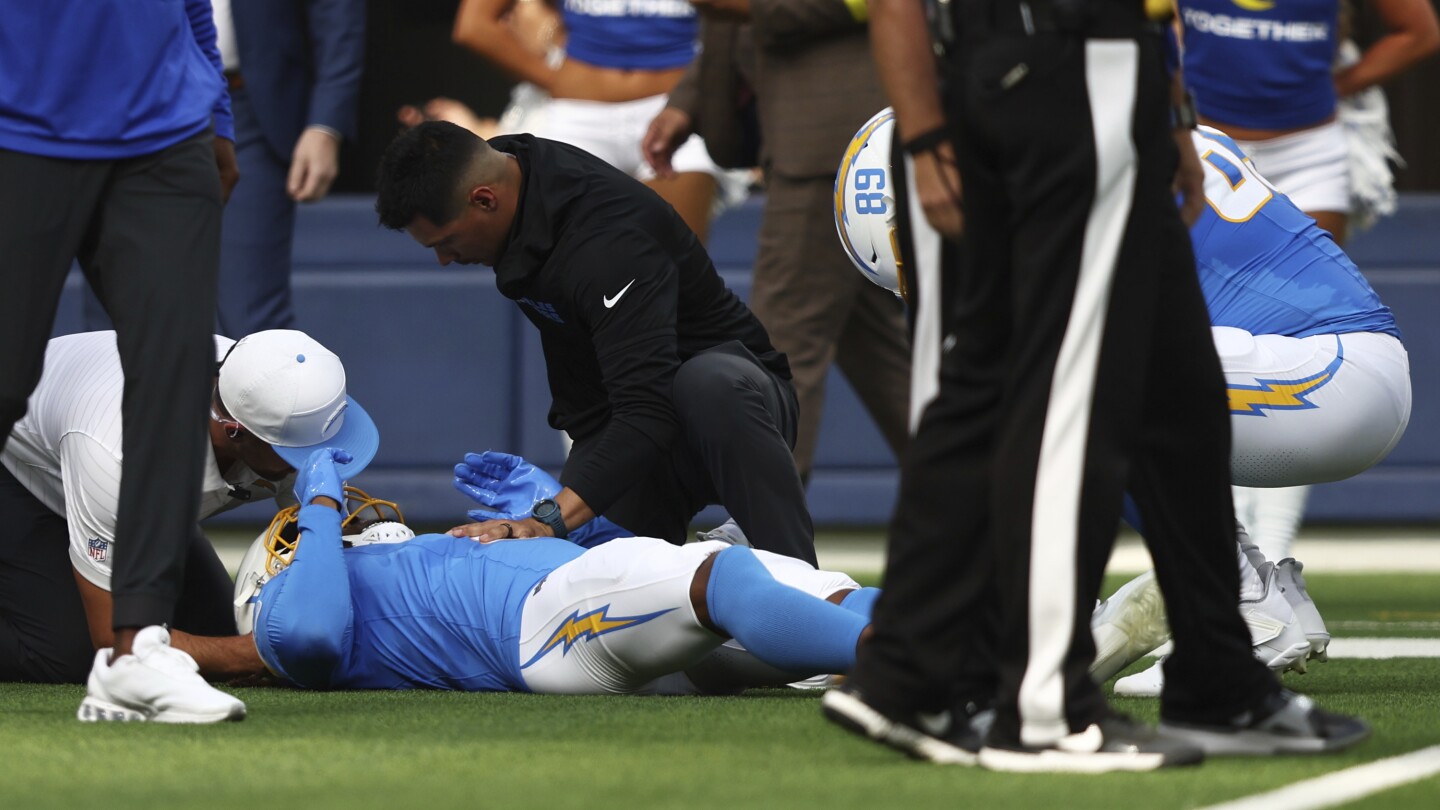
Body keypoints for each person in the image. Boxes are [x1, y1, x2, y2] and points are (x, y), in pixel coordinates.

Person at [820, 0, 1368, 772]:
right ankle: (1038, 704)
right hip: (1057, 58)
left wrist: (1173, 106)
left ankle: (1216, 675)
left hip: (1100, 60)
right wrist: (923, 129)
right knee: (1066, 395)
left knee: (1176, 394)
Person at [374, 122, 817, 565]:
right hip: (641, 430)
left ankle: (795, 576)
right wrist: (564, 519)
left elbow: (649, 403)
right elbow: (600, 406)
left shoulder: (606, 241)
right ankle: (706, 568)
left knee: (705, 383)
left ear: (485, 200)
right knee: (575, 583)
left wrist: (549, 516)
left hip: (737, 403)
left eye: (447, 241)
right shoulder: (512, 173)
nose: (444, 260)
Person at [1090, 125, 1411, 694]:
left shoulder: (1083, 171)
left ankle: (1238, 602)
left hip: (1330, 375)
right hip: (1347, 372)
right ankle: (1259, 591)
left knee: (1084, 386)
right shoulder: (1132, 132)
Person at [0, 0, 241, 723]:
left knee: (176, 375)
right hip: (18, 117)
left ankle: (137, 653)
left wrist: (217, 116)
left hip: (166, 129)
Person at [215, 449, 873, 693]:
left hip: (580, 605)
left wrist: (558, 512)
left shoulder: (413, 553)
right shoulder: (292, 614)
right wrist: (320, 508)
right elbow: (307, 635)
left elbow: (623, 565)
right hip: (539, 627)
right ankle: (912, 664)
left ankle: (956, 652)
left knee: (840, 595)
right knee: (720, 574)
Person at [1177, 0, 1438, 563]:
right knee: (1212, 343)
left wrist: (1337, 85)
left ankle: (1269, 553)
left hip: (1302, 142)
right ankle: (1242, 562)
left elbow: (1418, 32)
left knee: (1282, 338)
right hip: (1198, 134)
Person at [0, 330, 378, 716]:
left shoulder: (273, 389)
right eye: (300, 454)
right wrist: (258, 654)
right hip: (16, 463)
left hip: (125, 485)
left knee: (218, 632)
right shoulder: (121, 455)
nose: (319, 462)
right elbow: (115, 640)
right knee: (72, 653)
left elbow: (331, 534)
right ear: (236, 432)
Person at [643, 4, 913, 483]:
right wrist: (690, 98)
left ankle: (766, 531)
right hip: (819, 141)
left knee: (778, 347)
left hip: (833, 146)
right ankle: (983, 497)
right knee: (883, 357)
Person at [450, 0, 729, 241]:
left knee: (674, 272)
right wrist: (558, 81)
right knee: (573, 275)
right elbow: (475, 25)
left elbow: (750, 15)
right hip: (578, 119)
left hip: (675, 111)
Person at [209, 0, 367, 338]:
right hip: (131, 108)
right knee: (119, 315)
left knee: (254, 324)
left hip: (249, 106)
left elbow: (338, 11)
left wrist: (326, 122)